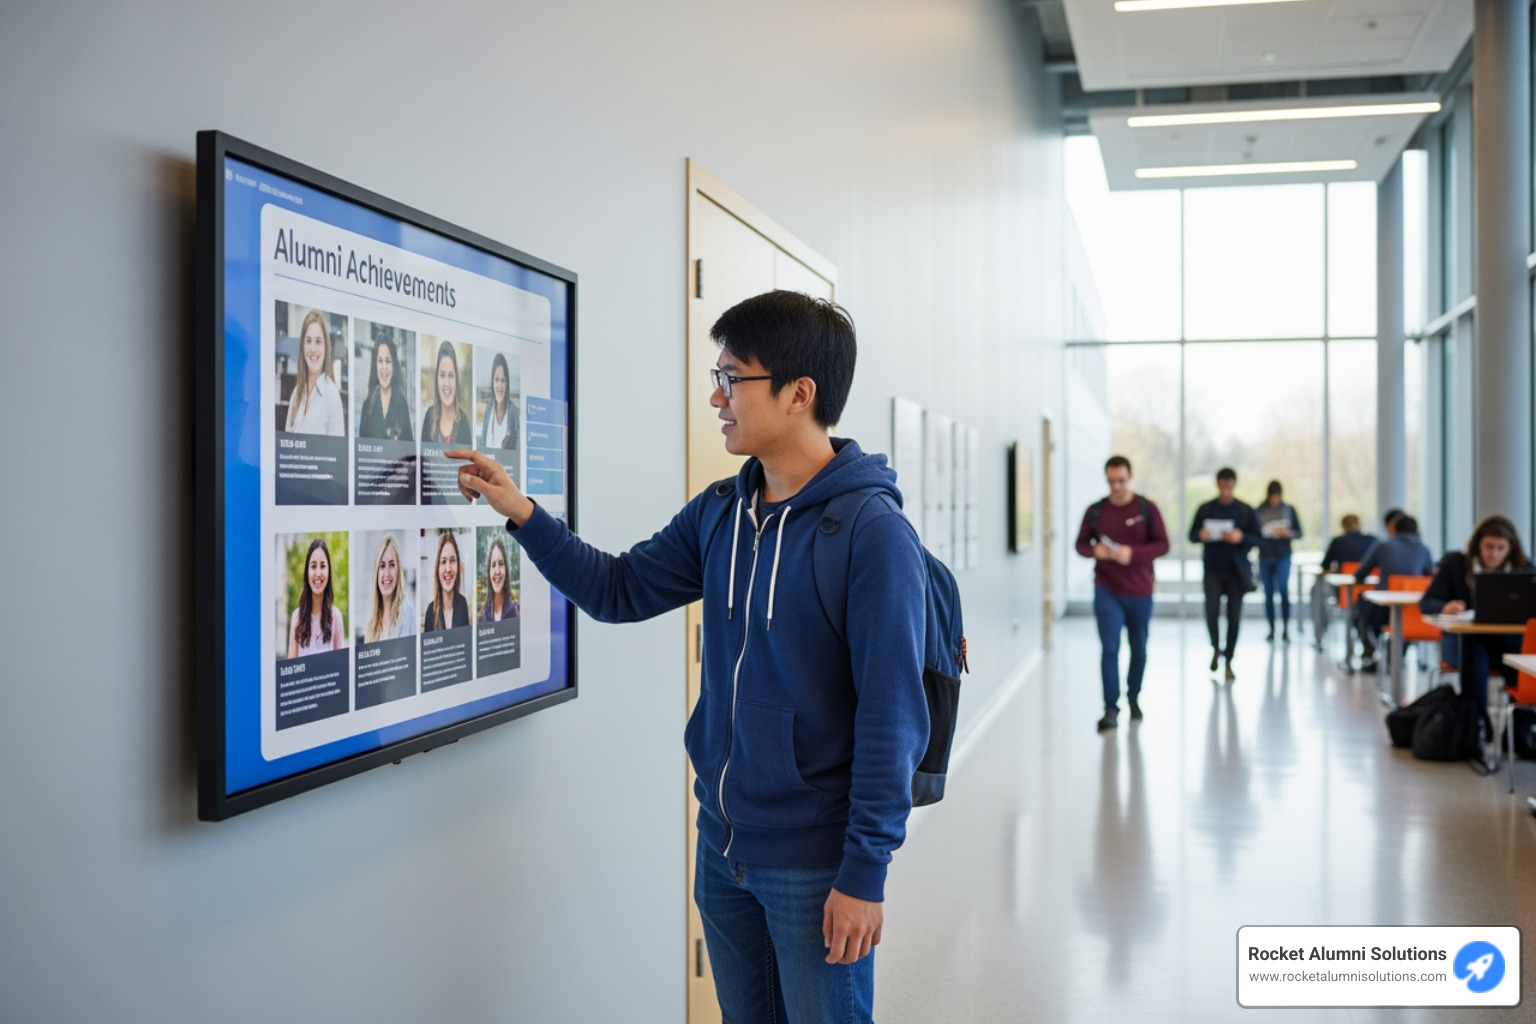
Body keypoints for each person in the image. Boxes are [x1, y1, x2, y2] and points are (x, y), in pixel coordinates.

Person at [446, 290, 927, 1024]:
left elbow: (893, 717)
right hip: (723, 847)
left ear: (800, 394)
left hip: (814, 862)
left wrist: (865, 871)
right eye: (718, 375)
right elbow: (617, 589)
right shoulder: (719, 513)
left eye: (734, 378)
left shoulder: (870, 532)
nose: (716, 396)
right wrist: (524, 514)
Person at [1073, 455, 1169, 731]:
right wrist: (1095, 551)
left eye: (1121, 481)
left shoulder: (1146, 508)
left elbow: (1163, 544)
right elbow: (1080, 544)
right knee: (1110, 648)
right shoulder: (1096, 511)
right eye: (1111, 481)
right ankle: (1111, 708)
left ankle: (1134, 697)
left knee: (1139, 649)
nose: (1116, 487)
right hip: (1107, 590)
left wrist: (1133, 554)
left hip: (1140, 591)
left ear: (1130, 477)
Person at [1419, 515, 1531, 709]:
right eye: (1489, 546)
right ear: (1477, 544)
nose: (1494, 554)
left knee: (1521, 654)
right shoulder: (1455, 564)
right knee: (1472, 650)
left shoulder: (1525, 570)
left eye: (1500, 548)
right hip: (1462, 642)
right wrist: (1444, 607)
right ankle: (1476, 720)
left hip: (1507, 641)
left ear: (1510, 548)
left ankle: (1519, 725)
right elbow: (1427, 602)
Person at [1189, 468, 1259, 682]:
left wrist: (1240, 537)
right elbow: (1192, 535)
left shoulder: (1245, 510)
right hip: (1212, 569)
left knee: (1234, 617)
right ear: (1217, 484)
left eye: (1229, 485)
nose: (1225, 490)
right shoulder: (1206, 508)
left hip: (1236, 572)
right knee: (1211, 612)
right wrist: (1201, 535)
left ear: (1234, 485)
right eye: (1222, 485)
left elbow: (1259, 539)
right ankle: (1215, 648)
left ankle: (1229, 658)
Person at [1353, 514, 1435, 672]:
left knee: (1361, 607)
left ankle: (1370, 649)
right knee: (1402, 619)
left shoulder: (1384, 546)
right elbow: (1429, 576)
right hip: (1415, 613)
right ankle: (1395, 654)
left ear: (1394, 529)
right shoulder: (1424, 549)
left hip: (1383, 610)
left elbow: (1360, 574)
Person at [1309, 513, 1378, 643]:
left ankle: (1320, 634)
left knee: (1316, 591)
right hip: (1370, 593)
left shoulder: (1338, 542)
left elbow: (1325, 565)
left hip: (1345, 593)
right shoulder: (1373, 540)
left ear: (1343, 526)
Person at [1254, 480, 1302, 643]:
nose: (1275, 499)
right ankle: (1271, 630)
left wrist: (1288, 533)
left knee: (1283, 590)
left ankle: (1286, 629)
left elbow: (1298, 532)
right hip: (1265, 555)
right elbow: (1253, 533)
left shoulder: (1289, 509)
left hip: (1283, 555)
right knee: (1268, 593)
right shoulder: (1259, 510)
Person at [284, 310, 346, 436]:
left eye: (318, 342)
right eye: (308, 341)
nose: (313, 349)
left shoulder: (332, 395)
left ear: (325, 347)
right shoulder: (296, 394)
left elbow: (337, 453)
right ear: (303, 346)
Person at [287, 537, 345, 658]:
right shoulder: (296, 618)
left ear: (328, 571)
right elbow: (291, 670)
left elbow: (341, 668)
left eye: (323, 566)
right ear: (307, 572)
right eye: (313, 566)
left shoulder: (336, 617)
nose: (318, 573)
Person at [357, 336, 414, 442]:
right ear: (375, 365)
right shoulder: (367, 406)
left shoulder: (402, 404)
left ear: (394, 366)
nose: (384, 367)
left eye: (388, 361)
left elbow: (409, 447)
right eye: (380, 361)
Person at [362, 533, 415, 643]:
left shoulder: (408, 613)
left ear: (398, 570)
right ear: (376, 572)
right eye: (382, 566)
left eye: (391, 565)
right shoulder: (371, 623)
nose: (386, 573)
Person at [421, 341, 472, 445]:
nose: (447, 383)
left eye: (451, 375)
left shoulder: (463, 421)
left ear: (456, 379)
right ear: (436, 379)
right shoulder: (429, 417)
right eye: (442, 375)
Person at [422, 531, 470, 631]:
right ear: (437, 568)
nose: (448, 569)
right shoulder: (431, 612)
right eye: (443, 562)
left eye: (452, 560)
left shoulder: (463, 604)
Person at [480, 352, 519, 450]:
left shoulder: (514, 413)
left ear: (507, 383)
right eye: (496, 380)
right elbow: (482, 445)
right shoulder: (488, 410)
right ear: (492, 382)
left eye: (503, 380)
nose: (500, 386)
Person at [479, 538, 519, 622]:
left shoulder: (515, 613)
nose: (497, 571)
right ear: (489, 572)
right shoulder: (482, 618)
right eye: (493, 565)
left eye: (501, 564)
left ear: (506, 569)